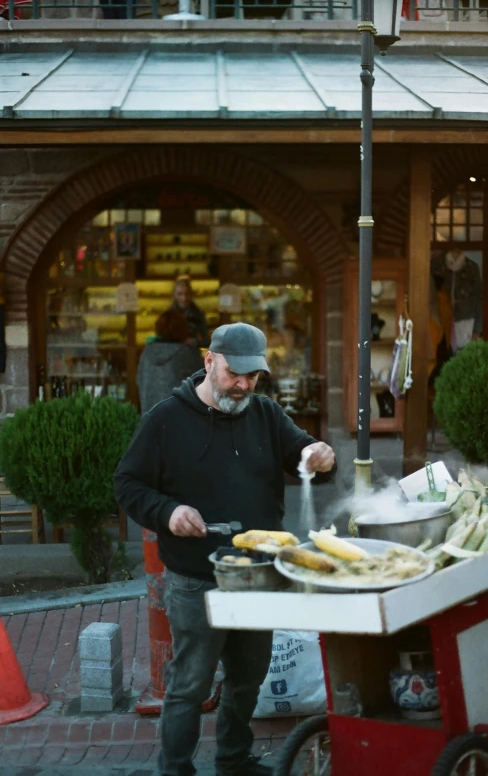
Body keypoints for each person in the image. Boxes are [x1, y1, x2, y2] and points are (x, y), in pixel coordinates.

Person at [114, 322, 336, 776]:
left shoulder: (267, 414)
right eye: (235, 374)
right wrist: (167, 511)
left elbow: (306, 454)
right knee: (189, 684)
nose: (244, 385)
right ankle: (175, 769)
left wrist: (320, 455)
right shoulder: (165, 420)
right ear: (209, 361)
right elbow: (128, 484)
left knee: (248, 679)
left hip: (258, 575)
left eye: (253, 377)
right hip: (197, 580)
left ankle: (233, 762)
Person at [136, 309, 202, 414]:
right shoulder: (186, 353)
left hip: (150, 418)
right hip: (179, 419)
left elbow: (139, 380)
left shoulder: (147, 351)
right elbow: (203, 381)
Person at [431, 248, 482, 352]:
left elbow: (478, 299)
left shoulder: (472, 268)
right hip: (441, 320)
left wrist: (477, 329)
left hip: (466, 320)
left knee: (463, 358)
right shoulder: (437, 266)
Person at [173, 276, 210, 349]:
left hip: (191, 355)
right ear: (174, 295)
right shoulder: (168, 314)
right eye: (180, 294)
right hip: (173, 355)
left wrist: (194, 342)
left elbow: (207, 341)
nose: (184, 298)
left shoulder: (198, 313)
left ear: (191, 294)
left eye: (187, 294)